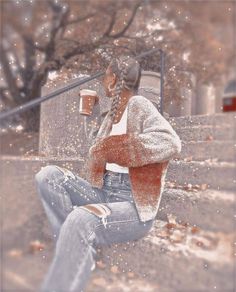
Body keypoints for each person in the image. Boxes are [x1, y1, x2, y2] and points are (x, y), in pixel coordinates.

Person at [34, 55, 181, 292]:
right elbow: (96, 152)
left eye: (105, 76)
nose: (103, 82)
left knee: (80, 218)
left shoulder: (139, 104)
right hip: (104, 191)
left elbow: (170, 142)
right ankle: (79, 249)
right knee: (48, 176)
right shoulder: (112, 115)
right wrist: (91, 118)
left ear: (114, 79)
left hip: (132, 205)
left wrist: (118, 148)